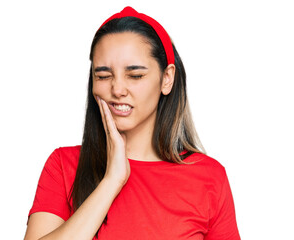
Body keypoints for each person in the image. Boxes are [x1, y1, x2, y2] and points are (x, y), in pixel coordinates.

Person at [24, 6, 241, 240]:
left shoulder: (209, 176)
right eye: (104, 76)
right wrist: (112, 180)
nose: (117, 90)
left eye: (135, 75)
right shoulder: (63, 166)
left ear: (166, 79)